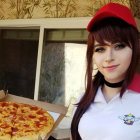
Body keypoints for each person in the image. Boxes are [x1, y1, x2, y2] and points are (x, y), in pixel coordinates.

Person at [71, 2, 140, 140]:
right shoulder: (84, 99)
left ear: (136, 48)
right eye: (100, 49)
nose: (108, 58)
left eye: (119, 46)